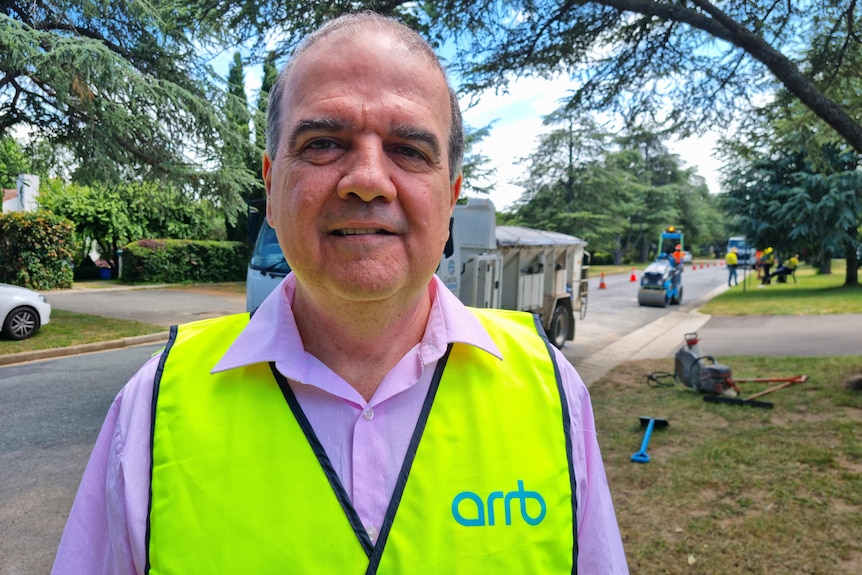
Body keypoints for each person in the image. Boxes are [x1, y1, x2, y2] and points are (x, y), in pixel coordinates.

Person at [52, 12, 628, 574]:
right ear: (273, 188)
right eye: (325, 143)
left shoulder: (552, 391)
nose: (368, 180)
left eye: (409, 150)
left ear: (450, 199)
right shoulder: (153, 405)